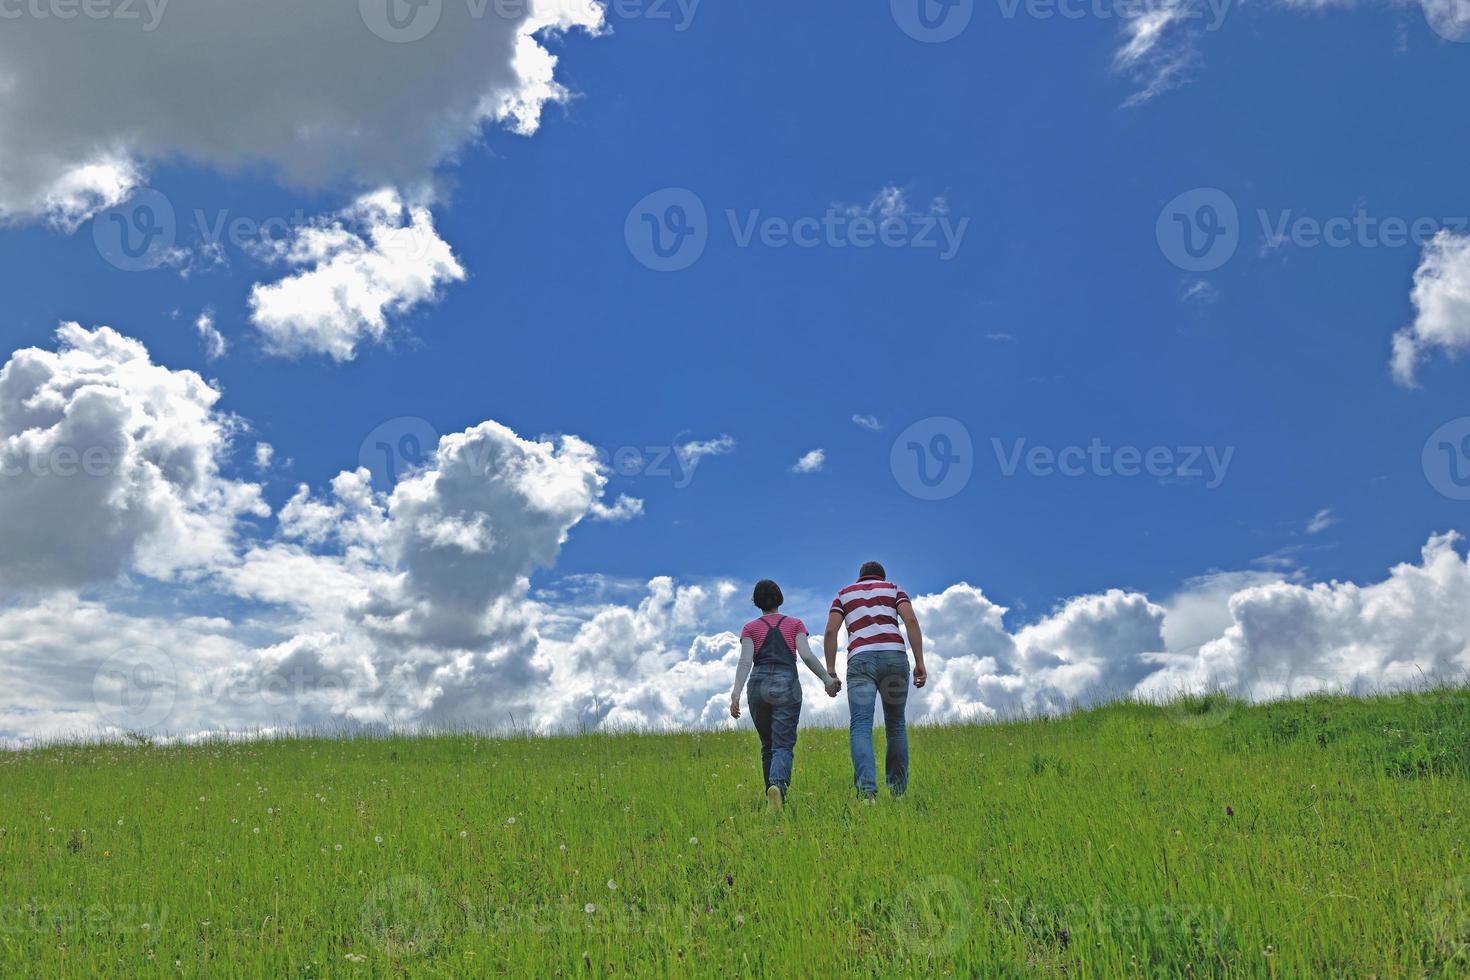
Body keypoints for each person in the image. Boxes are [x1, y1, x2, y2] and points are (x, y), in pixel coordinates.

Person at [730, 579, 842, 810]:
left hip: (757, 684)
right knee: (783, 745)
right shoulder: (795, 624)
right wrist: (827, 680)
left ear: (757, 602)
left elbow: (745, 661)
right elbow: (807, 655)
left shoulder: (750, 628)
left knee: (767, 745)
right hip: (786, 682)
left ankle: (772, 797)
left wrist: (735, 693)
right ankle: (778, 788)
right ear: (779, 598)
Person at [825, 561, 927, 800]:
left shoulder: (843, 594)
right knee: (895, 724)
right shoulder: (894, 589)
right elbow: (911, 621)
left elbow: (831, 631)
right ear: (882, 576)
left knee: (860, 725)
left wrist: (830, 670)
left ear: (860, 577)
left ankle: (867, 793)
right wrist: (920, 661)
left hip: (861, 662)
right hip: (894, 659)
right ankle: (898, 792)